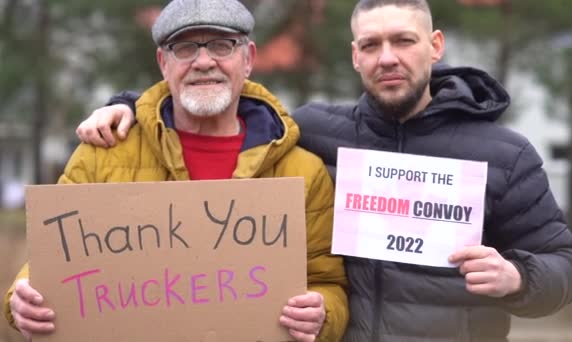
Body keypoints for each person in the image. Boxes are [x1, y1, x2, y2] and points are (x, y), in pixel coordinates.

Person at [64, 0, 572, 340]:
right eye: (371, 45)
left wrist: (518, 277)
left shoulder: (505, 153)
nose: (388, 58)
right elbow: (219, 103)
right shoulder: (316, 134)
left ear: (435, 46)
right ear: (354, 56)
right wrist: (127, 105)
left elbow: (562, 264)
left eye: (403, 40)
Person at [3, 0, 349, 341]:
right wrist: (22, 298)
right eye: (184, 48)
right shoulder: (102, 154)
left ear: (248, 59)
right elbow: (51, 260)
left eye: (221, 45)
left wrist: (323, 314)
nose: (203, 61)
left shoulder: (303, 171)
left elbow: (328, 282)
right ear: (163, 63)